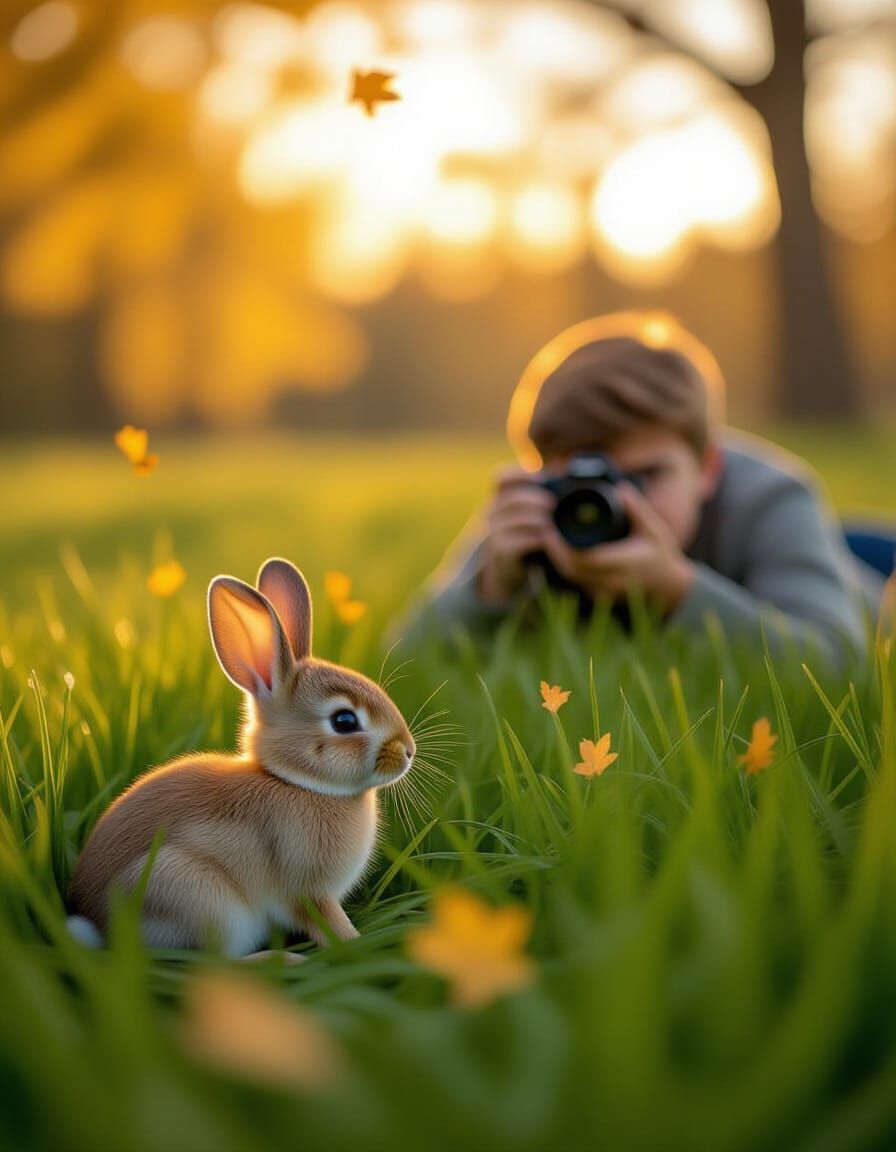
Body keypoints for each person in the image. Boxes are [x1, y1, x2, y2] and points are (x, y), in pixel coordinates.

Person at [390, 311, 891, 670]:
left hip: (861, 573)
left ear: (708, 466)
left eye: (644, 477)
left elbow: (837, 665)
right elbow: (399, 664)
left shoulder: (771, 497)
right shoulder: (541, 510)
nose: (610, 501)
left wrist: (677, 589)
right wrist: (489, 586)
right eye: (579, 481)